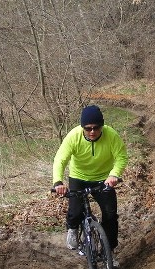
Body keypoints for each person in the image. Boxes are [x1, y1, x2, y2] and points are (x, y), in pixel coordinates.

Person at [53, 105, 128, 258]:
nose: (92, 132)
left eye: (96, 128)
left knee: (110, 215)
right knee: (75, 211)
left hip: (103, 179)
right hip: (78, 177)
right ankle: (73, 229)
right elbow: (60, 160)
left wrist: (114, 175)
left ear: (102, 126)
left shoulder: (111, 135)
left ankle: (109, 252)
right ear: (82, 128)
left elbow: (121, 156)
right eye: (88, 129)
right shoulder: (74, 136)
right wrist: (58, 182)